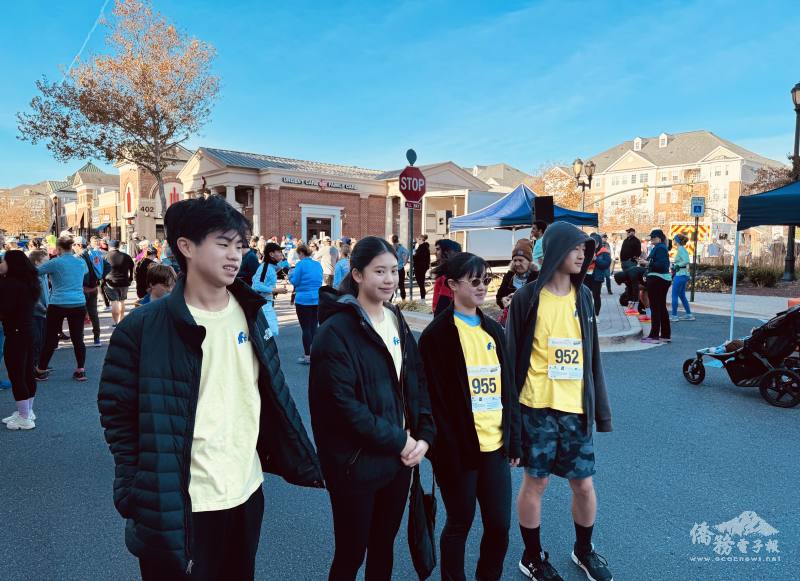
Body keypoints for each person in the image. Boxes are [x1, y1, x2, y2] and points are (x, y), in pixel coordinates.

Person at [98, 195, 322, 581]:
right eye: (223, 244)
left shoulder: (252, 312)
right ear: (185, 246)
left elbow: (272, 394)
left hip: (246, 491)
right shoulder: (143, 327)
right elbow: (117, 412)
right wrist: (134, 489)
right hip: (180, 504)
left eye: (240, 245)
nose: (235, 255)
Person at [309, 236, 435, 581]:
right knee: (350, 554)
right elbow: (342, 407)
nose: (390, 279)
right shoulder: (335, 331)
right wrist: (402, 441)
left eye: (394, 270)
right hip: (356, 465)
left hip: (399, 462)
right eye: (380, 271)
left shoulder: (396, 319)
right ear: (358, 274)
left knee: (383, 548)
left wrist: (423, 436)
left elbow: (416, 381)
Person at [506, 221, 613, 581]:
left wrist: (601, 411)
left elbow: (592, 355)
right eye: (574, 248)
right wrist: (510, 423)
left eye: (585, 248)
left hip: (575, 408)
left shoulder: (584, 296)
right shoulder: (526, 298)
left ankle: (584, 550)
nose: (582, 254)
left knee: (584, 483)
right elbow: (510, 359)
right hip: (535, 407)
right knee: (536, 483)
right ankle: (532, 556)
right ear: (555, 252)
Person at [419, 252, 521, 581]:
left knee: (500, 526)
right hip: (458, 451)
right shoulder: (436, 337)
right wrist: (441, 450)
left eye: (485, 280)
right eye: (474, 281)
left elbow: (509, 390)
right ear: (451, 285)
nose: (481, 287)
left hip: (495, 446)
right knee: (459, 523)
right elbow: (430, 402)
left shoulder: (493, 330)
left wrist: (515, 440)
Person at [35, 235, 89, 382]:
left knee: (51, 338)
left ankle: (41, 369)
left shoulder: (55, 262)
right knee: (78, 338)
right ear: (71, 247)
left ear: (58, 249)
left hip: (58, 302)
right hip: (78, 302)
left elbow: (36, 272)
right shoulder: (81, 262)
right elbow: (84, 273)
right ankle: (81, 370)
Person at [0, 251, 41, 430]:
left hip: (15, 333)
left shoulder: (9, 284)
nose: (1, 263)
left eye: (3, 260)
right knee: (27, 372)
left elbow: (4, 309)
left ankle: (24, 417)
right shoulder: (29, 281)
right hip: (29, 330)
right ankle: (27, 411)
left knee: (16, 373)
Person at [289, 243, 323, 365]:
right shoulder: (317, 264)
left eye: (298, 254)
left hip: (303, 299)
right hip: (317, 299)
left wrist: (290, 277)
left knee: (306, 329)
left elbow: (295, 281)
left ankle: (307, 356)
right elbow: (320, 279)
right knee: (314, 327)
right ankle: (316, 353)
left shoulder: (300, 265)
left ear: (301, 253)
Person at [252, 242, 289, 336]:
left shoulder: (270, 267)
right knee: (271, 332)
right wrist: (276, 290)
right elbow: (257, 285)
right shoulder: (265, 268)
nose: (281, 253)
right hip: (262, 304)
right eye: (279, 251)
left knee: (270, 332)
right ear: (271, 254)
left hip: (266, 302)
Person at [642, 229, 672, 344]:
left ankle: (654, 335)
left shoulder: (660, 248)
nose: (651, 239)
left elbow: (662, 265)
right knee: (661, 308)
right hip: (661, 280)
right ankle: (665, 334)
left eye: (653, 237)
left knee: (655, 308)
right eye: (651, 237)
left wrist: (647, 263)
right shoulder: (661, 248)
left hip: (657, 280)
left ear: (659, 238)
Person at [75, 236, 106, 347]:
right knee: (94, 314)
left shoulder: (77, 257)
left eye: (74, 245)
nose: (73, 247)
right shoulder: (95, 254)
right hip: (93, 289)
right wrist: (99, 278)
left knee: (80, 314)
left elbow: (80, 274)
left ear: (79, 245)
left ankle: (81, 339)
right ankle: (97, 338)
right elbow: (107, 266)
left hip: (82, 289)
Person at [496, 241, 536, 310]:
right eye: (515, 260)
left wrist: (518, 300)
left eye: (520, 260)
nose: (517, 264)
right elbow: (499, 297)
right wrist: (503, 300)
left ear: (529, 262)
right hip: (511, 318)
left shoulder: (536, 277)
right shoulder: (509, 276)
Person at [28, 249, 50, 375]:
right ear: (37, 262)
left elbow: (46, 293)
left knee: (42, 340)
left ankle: (39, 365)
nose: (48, 264)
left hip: (44, 311)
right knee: (36, 340)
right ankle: (34, 367)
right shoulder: (33, 276)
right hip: (36, 312)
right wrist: (43, 308)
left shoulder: (44, 274)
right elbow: (34, 298)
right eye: (45, 262)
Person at [104, 240, 134, 326]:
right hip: (124, 281)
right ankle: (121, 321)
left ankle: (115, 322)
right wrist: (130, 278)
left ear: (109, 247)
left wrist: (102, 279)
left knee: (114, 302)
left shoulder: (105, 256)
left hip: (110, 282)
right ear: (118, 246)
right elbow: (132, 267)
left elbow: (101, 269)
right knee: (122, 301)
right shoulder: (126, 256)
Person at [432, 239, 462, 316]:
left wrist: (437, 320)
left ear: (447, 251)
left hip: (444, 316)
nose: (435, 253)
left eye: (438, 249)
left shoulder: (448, 273)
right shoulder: (446, 270)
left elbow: (445, 301)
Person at [670, 234, 695, 322]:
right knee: (681, 295)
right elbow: (685, 261)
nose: (673, 241)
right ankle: (689, 314)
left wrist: (677, 265)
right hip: (684, 275)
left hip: (680, 275)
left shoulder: (681, 249)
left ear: (677, 241)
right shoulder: (682, 249)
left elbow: (686, 261)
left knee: (674, 295)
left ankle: (674, 316)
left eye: (674, 239)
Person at [584, 234, 611, 317]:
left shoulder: (604, 252)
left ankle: (596, 315)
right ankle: (587, 314)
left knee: (596, 296)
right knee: (585, 296)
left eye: (596, 243)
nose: (594, 245)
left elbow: (606, 264)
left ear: (599, 243)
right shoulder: (586, 250)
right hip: (586, 276)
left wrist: (596, 259)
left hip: (597, 277)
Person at [412, 234, 431, 300]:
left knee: (420, 282)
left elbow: (418, 257)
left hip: (420, 267)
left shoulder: (423, 247)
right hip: (421, 266)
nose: (416, 241)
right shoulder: (423, 246)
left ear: (420, 239)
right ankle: (423, 295)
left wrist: (413, 256)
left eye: (417, 239)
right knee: (420, 282)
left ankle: (423, 297)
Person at [391, 235, 409, 300]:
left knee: (395, 285)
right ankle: (402, 300)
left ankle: (392, 300)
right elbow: (407, 252)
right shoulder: (400, 247)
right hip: (398, 269)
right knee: (400, 285)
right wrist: (405, 262)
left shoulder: (392, 247)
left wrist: (405, 262)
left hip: (395, 269)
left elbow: (407, 253)